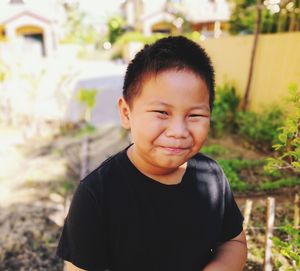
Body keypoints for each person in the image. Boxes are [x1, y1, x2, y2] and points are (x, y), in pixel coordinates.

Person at [57, 35, 247, 271]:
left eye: (195, 115)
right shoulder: (97, 195)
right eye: (161, 113)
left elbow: (234, 241)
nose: (178, 131)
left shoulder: (212, 176)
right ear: (126, 113)